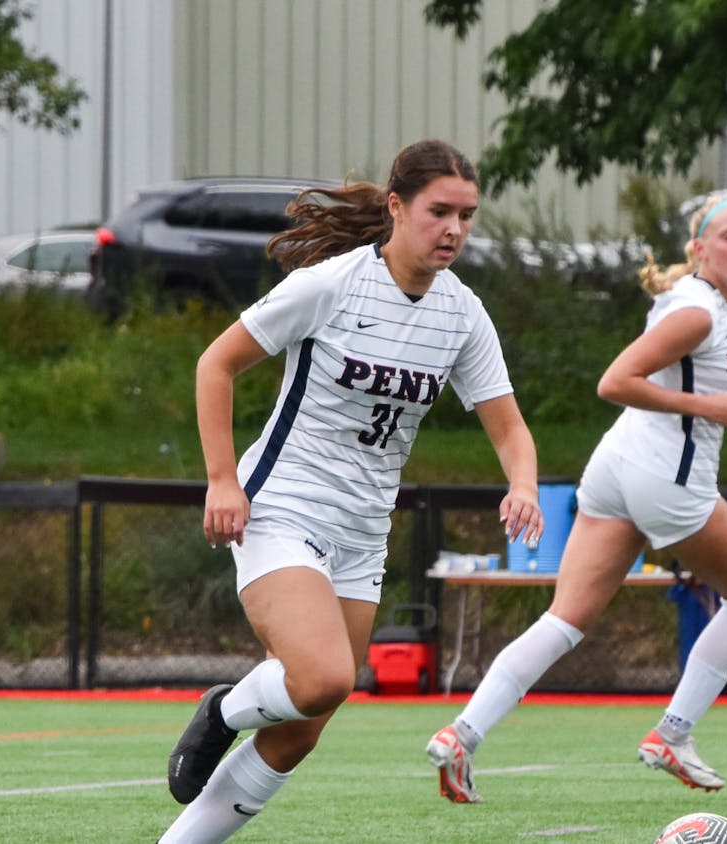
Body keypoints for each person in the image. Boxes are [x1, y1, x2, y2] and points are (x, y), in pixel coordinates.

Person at [159, 139, 543, 843]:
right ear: (397, 208)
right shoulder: (331, 285)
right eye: (439, 212)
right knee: (322, 677)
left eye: (467, 214)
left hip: (364, 531)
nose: (454, 229)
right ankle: (221, 712)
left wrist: (523, 484)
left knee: (300, 735)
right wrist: (221, 481)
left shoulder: (462, 314)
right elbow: (215, 364)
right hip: (284, 503)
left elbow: (511, 429)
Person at [425, 193, 727, 802]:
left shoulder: (700, 304)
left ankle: (462, 734)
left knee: (564, 619)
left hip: (615, 469)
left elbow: (705, 376)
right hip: (665, 477)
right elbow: (617, 382)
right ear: (699, 248)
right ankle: (673, 734)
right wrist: (704, 406)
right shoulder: (699, 311)